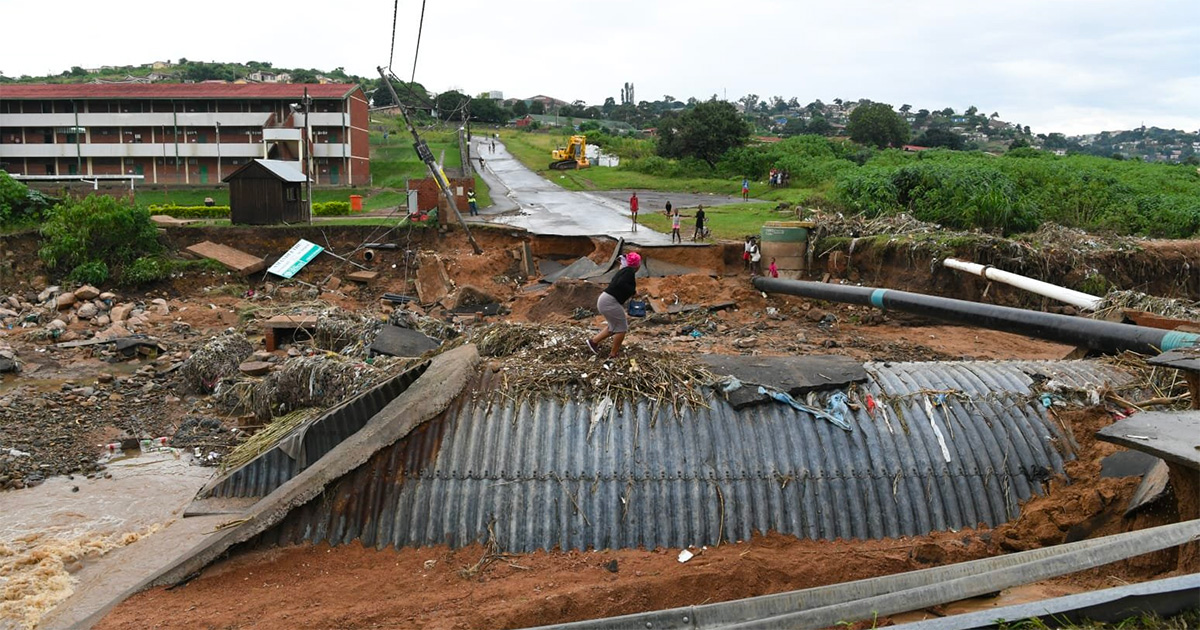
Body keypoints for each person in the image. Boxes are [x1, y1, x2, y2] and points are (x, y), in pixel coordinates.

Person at [588, 251, 641, 360]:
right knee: (621, 328)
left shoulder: (624, 270)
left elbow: (618, 284)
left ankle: (593, 342)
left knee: (613, 326)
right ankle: (613, 354)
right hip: (609, 302)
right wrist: (633, 292)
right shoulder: (629, 272)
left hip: (605, 299)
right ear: (636, 265)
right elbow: (621, 284)